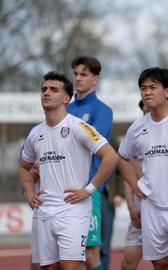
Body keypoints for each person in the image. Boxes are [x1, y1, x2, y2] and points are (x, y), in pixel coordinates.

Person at [18, 71, 118, 269]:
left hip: (72, 209)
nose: (46, 93)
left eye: (53, 90)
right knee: (48, 268)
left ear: (66, 98)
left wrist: (89, 189)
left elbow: (111, 157)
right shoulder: (35, 133)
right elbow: (23, 166)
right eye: (44, 89)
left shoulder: (78, 126)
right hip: (45, 210)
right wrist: (29, 192)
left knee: (70, 266)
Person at [118, 67, 168, 270]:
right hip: (152, 207)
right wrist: (135, 185)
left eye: (153, 87)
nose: (147, 92)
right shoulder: (137, 127)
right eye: (143, 88)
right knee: (162, 265)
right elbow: (122, 157)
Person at [68, 56, 114, 270]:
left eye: (83, 74)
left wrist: (91, 188)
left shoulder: (102, 111)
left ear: (95, 79)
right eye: (76, 74)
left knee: (90, 252)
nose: (78, 78)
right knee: (65, 254)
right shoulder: (64, 109)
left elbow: (93, 148)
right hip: (64, 189)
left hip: (89, 189)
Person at [120, 100, 150, 270]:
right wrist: (131, 206)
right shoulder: (135, 133)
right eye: (144, 107)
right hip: (140, 210)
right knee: (127, 264)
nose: (147, 109)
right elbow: (127, 174)